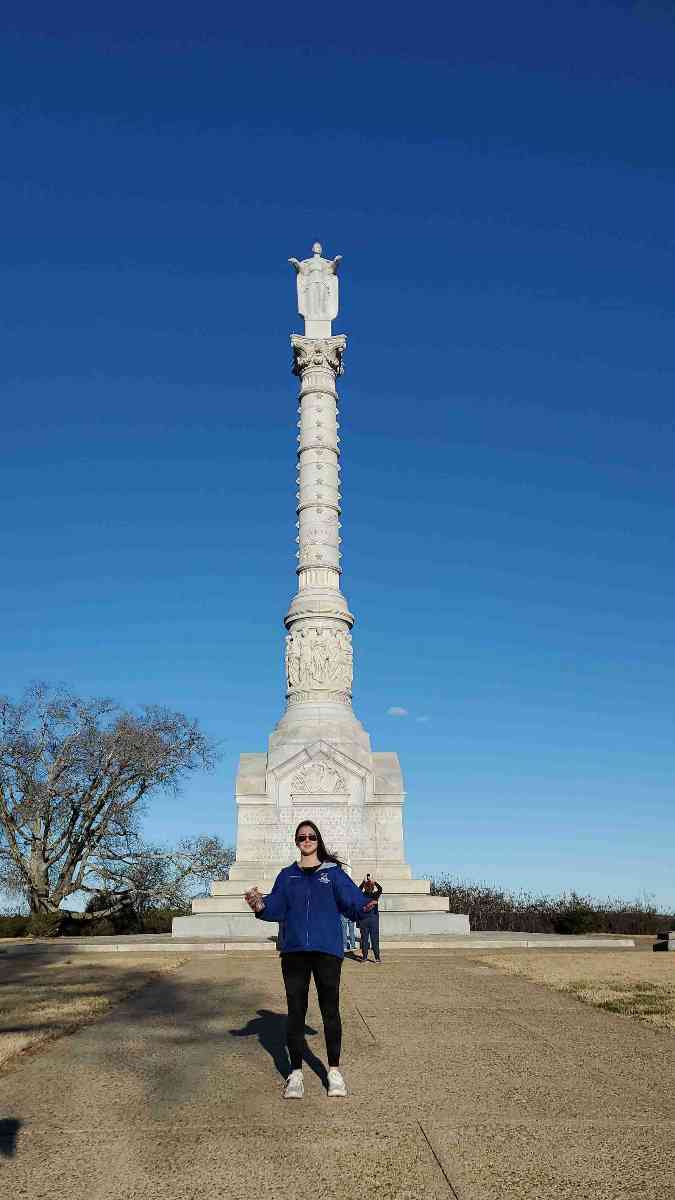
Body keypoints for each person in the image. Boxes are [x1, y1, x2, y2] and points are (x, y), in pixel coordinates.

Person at [243, 820, 376, 1100]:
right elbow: (275, 906)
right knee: (295, 1011)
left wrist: (366, 903)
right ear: (296, 841)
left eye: (311, 836)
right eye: (302, 837)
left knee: (330, 1010)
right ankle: (296, 1073)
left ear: (318, 840)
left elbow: (352, 902)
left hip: (326, 950)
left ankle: (334, 1072)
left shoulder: (333, 873)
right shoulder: (287, 875)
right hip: (294, 951)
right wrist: (259, 905)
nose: (306, 840)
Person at [358, 873, 383, 963]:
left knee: (364, 939)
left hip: (363, 919)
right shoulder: (375, 895)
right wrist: (374, 881)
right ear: (372, 888)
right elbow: (380, 889)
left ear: (365, 887)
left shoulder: (361, 896)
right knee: (374, 939)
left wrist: (363, 882)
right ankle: (377, 958)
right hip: (373, 919)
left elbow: (358, 890)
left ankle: (364, 957)